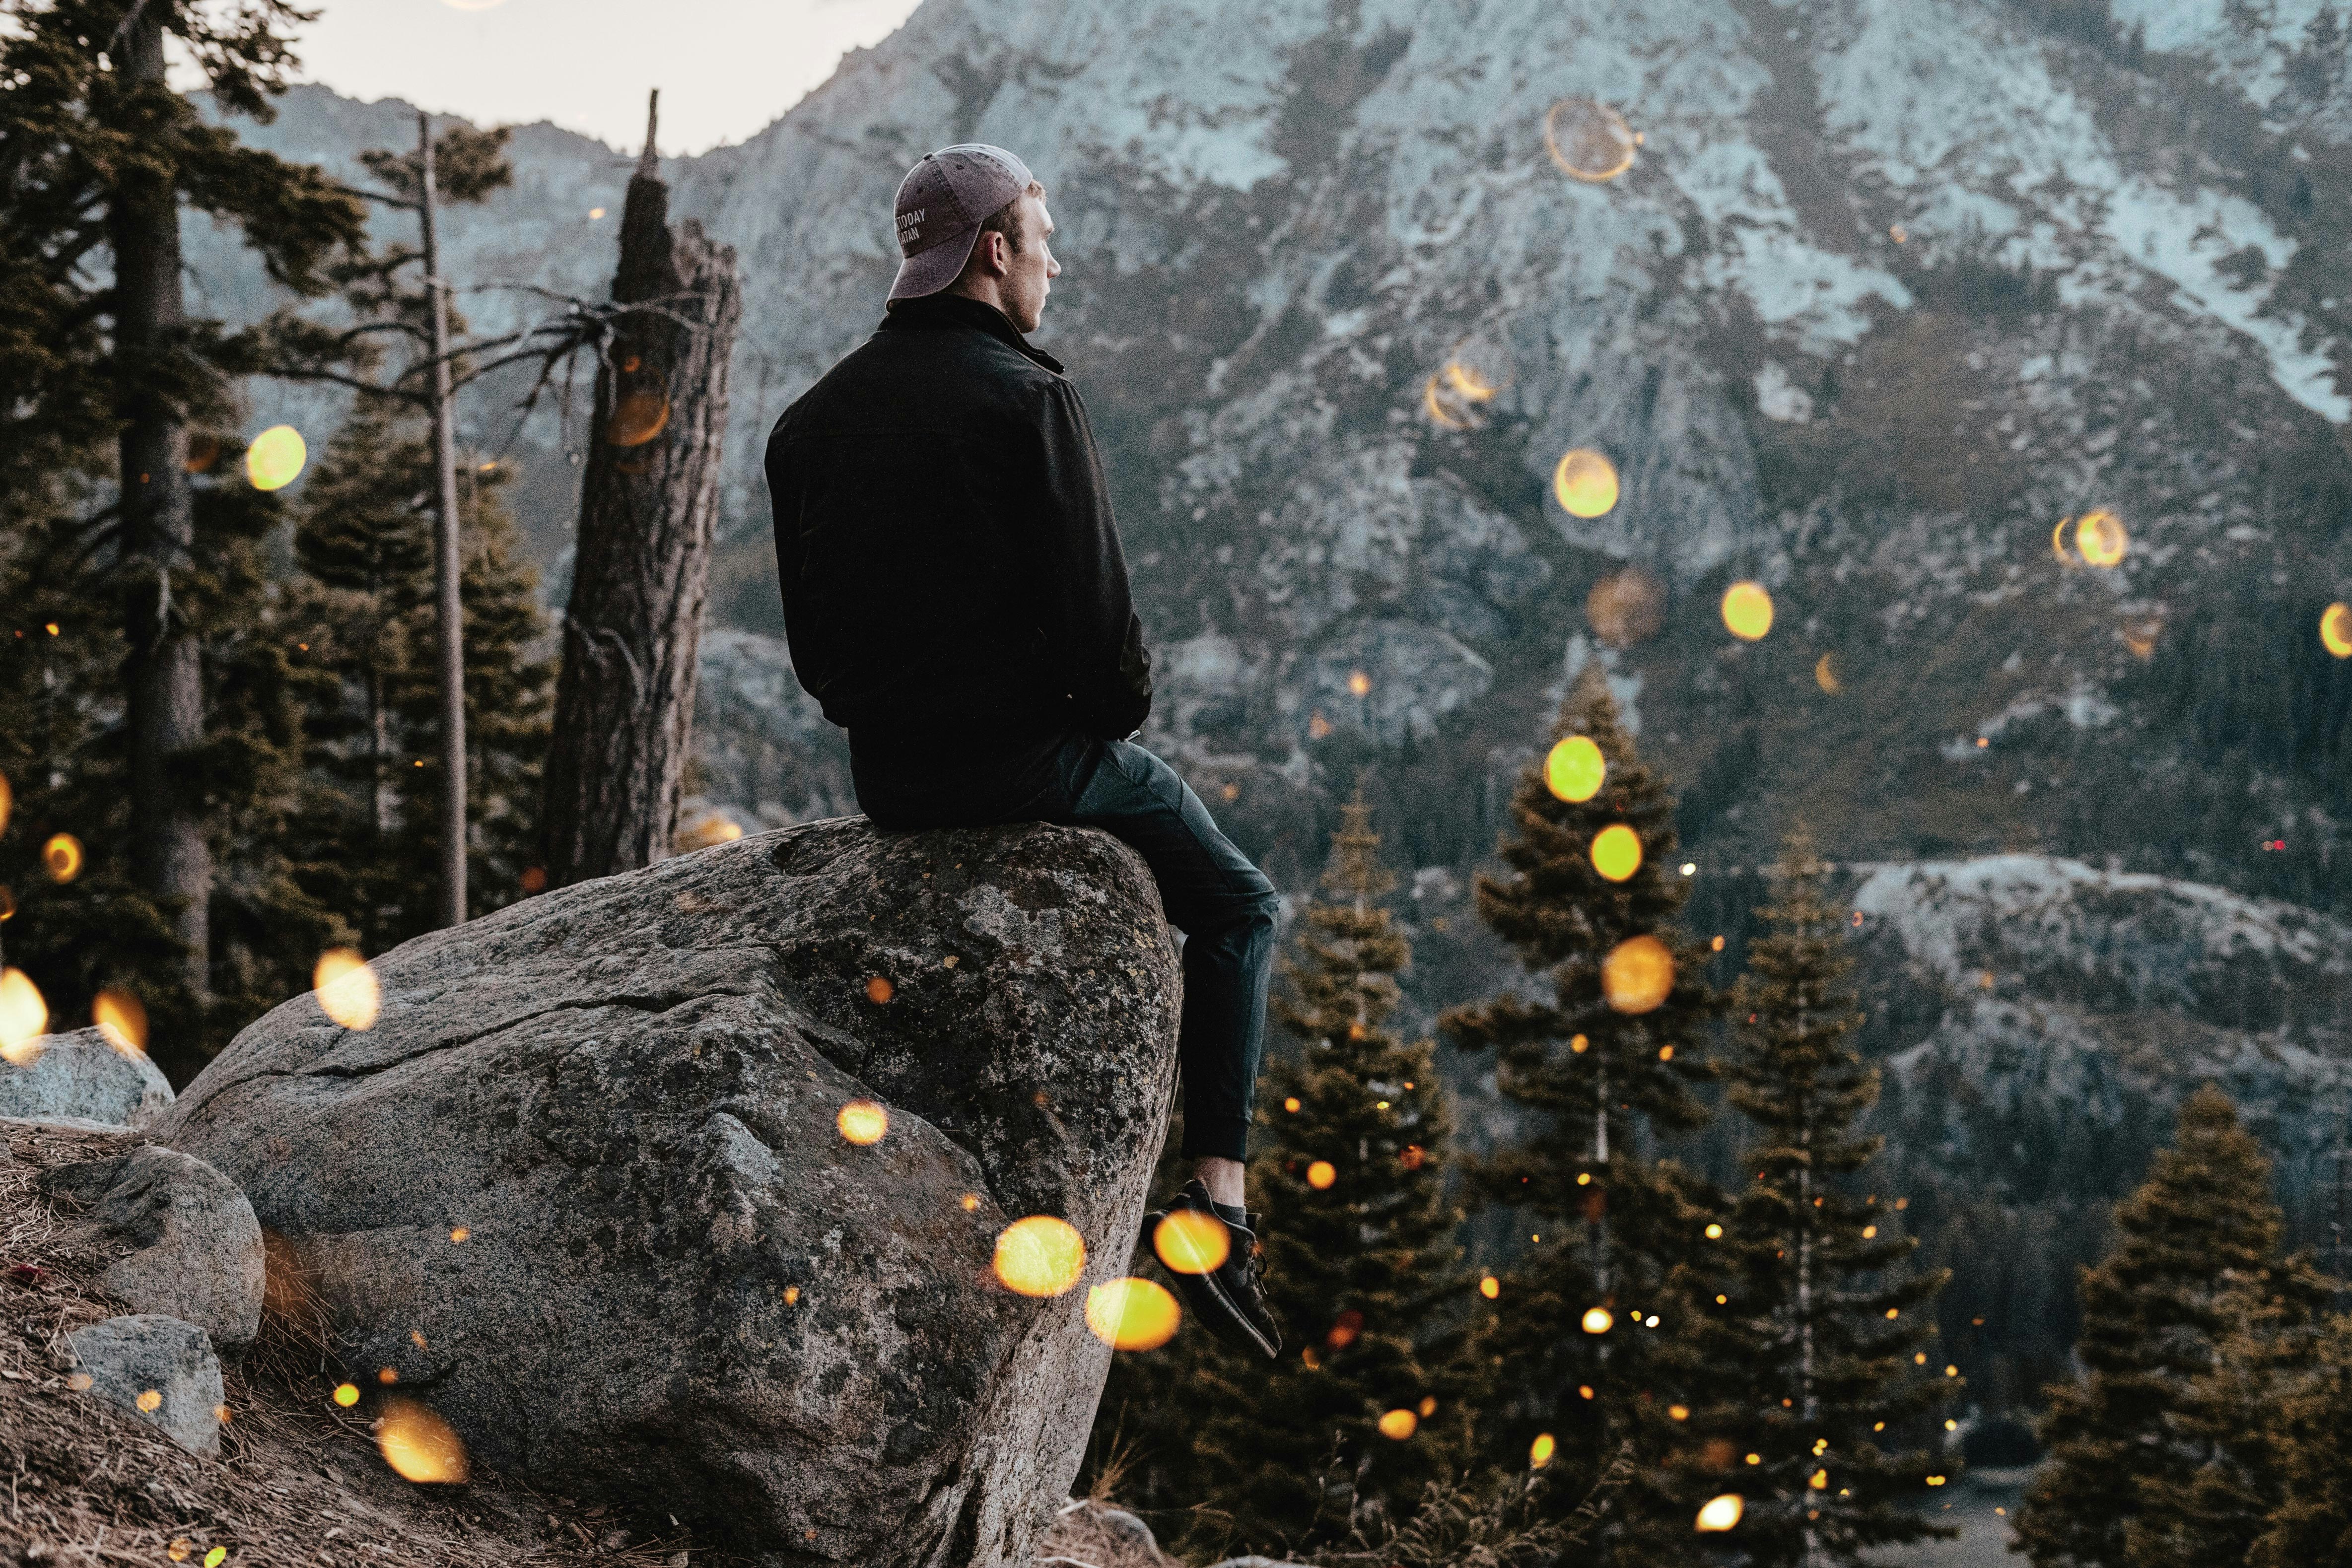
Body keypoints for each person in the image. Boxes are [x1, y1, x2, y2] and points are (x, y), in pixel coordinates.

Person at [762, 144, 1283, 1359]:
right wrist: (1098, 721)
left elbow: (816, 660)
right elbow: (1106, 642)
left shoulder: (809, 422)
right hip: (1027, 766)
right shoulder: (1026, 398)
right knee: (1241, 909)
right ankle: (1215, 1207)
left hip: (891, 781)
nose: (1056, 262)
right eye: (1043, 240)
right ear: (994, 251)